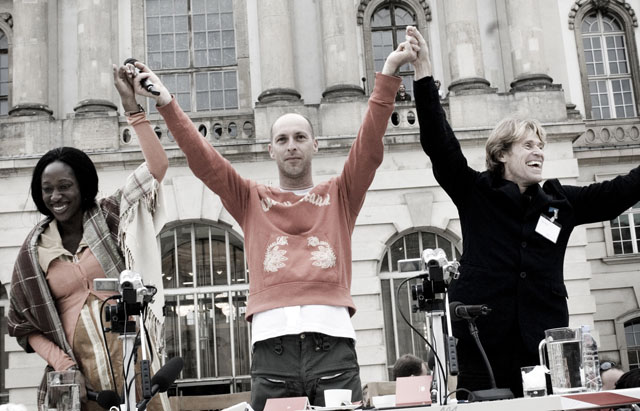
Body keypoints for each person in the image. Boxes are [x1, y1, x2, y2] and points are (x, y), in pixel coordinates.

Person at [129, 38, 418, 410]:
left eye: (300, 137)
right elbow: (204, 161)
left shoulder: (340, 194)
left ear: (315, 144)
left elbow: (369, 146)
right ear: (271, 150)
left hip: (332, 349)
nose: (291, 145)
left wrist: (389, 74)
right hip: (271, 353)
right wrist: (165, 101)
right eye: (282, 139)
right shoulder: (251, 198)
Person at [408, 24, 640, 398]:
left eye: (541, 146)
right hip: (481, 343)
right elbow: (439, 142)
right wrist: (423, 74)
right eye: (528, 145)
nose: (538, 152)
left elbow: (616, 193)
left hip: (543, 345)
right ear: (501, 153)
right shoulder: (475, 192)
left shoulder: (559, 202)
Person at [7, 64, 169, 411]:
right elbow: (23, 324)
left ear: (83, 186)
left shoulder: (110, 215)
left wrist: (132, 108)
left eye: (64, 187)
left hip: (134, 363)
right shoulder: (33, 251)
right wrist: (66, 368)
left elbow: (156, 168)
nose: (56, 196)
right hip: (83, 384)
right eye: (47, 190)